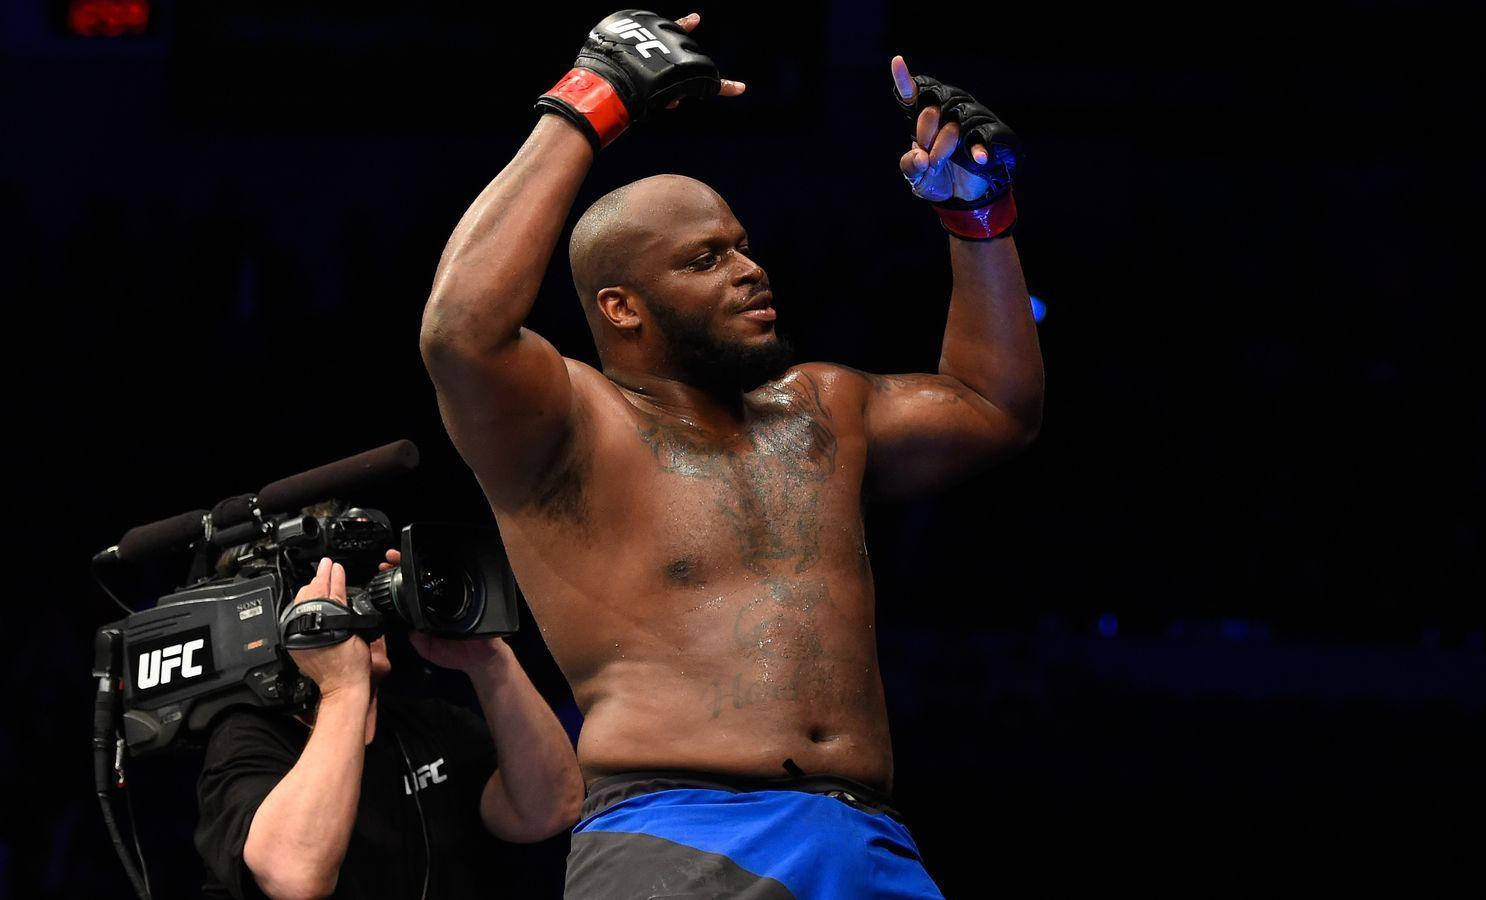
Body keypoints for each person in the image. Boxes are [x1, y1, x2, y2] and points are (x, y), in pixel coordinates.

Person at [420, 10, 1042, 896]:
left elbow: (996, 408)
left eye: (744, 247)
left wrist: (976, 214)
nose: (750, 270)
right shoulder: (567, 425)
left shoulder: (820, 409)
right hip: (676, 836)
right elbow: (460, 331)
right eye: (706, 259)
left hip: (868, 838)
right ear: (623, 307)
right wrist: (586, 102)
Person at [194, 553, 584, 899]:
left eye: (363, 589)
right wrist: (343, 687)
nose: (363, 611)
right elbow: (295, 878)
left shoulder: (428, 722)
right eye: (337, 597)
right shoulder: (245, 736)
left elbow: (549, 810)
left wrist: (490, 661)